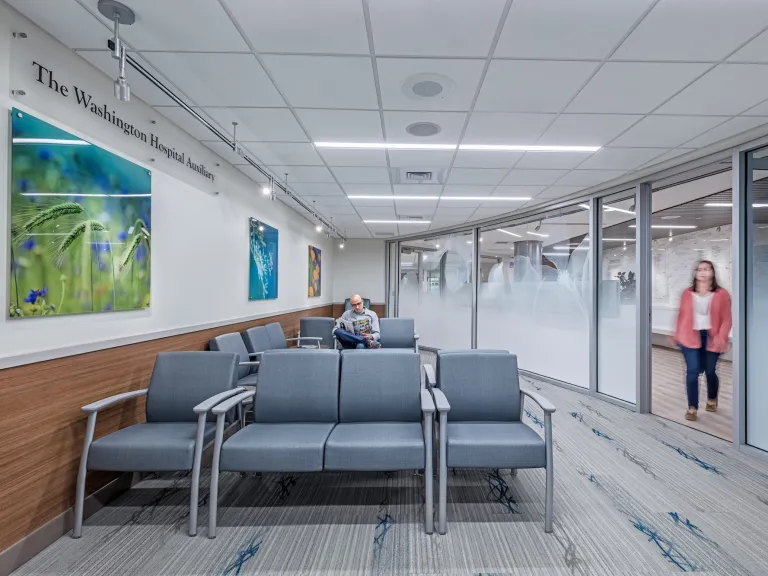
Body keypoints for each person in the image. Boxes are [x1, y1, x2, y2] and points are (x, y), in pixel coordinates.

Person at [672, 260, 732, 422]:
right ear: (696, 274)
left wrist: (721, 335)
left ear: (712, 272)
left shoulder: (722, 294)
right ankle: (692, 407)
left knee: (710, 371)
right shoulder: (687, 293)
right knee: (692, 372)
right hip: (689, 336)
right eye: (699, 269)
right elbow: (682, 316)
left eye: (706, 269)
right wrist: (677, 334)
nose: (703, 272)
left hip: (712, 337)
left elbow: (727, 319)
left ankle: (712, 398)